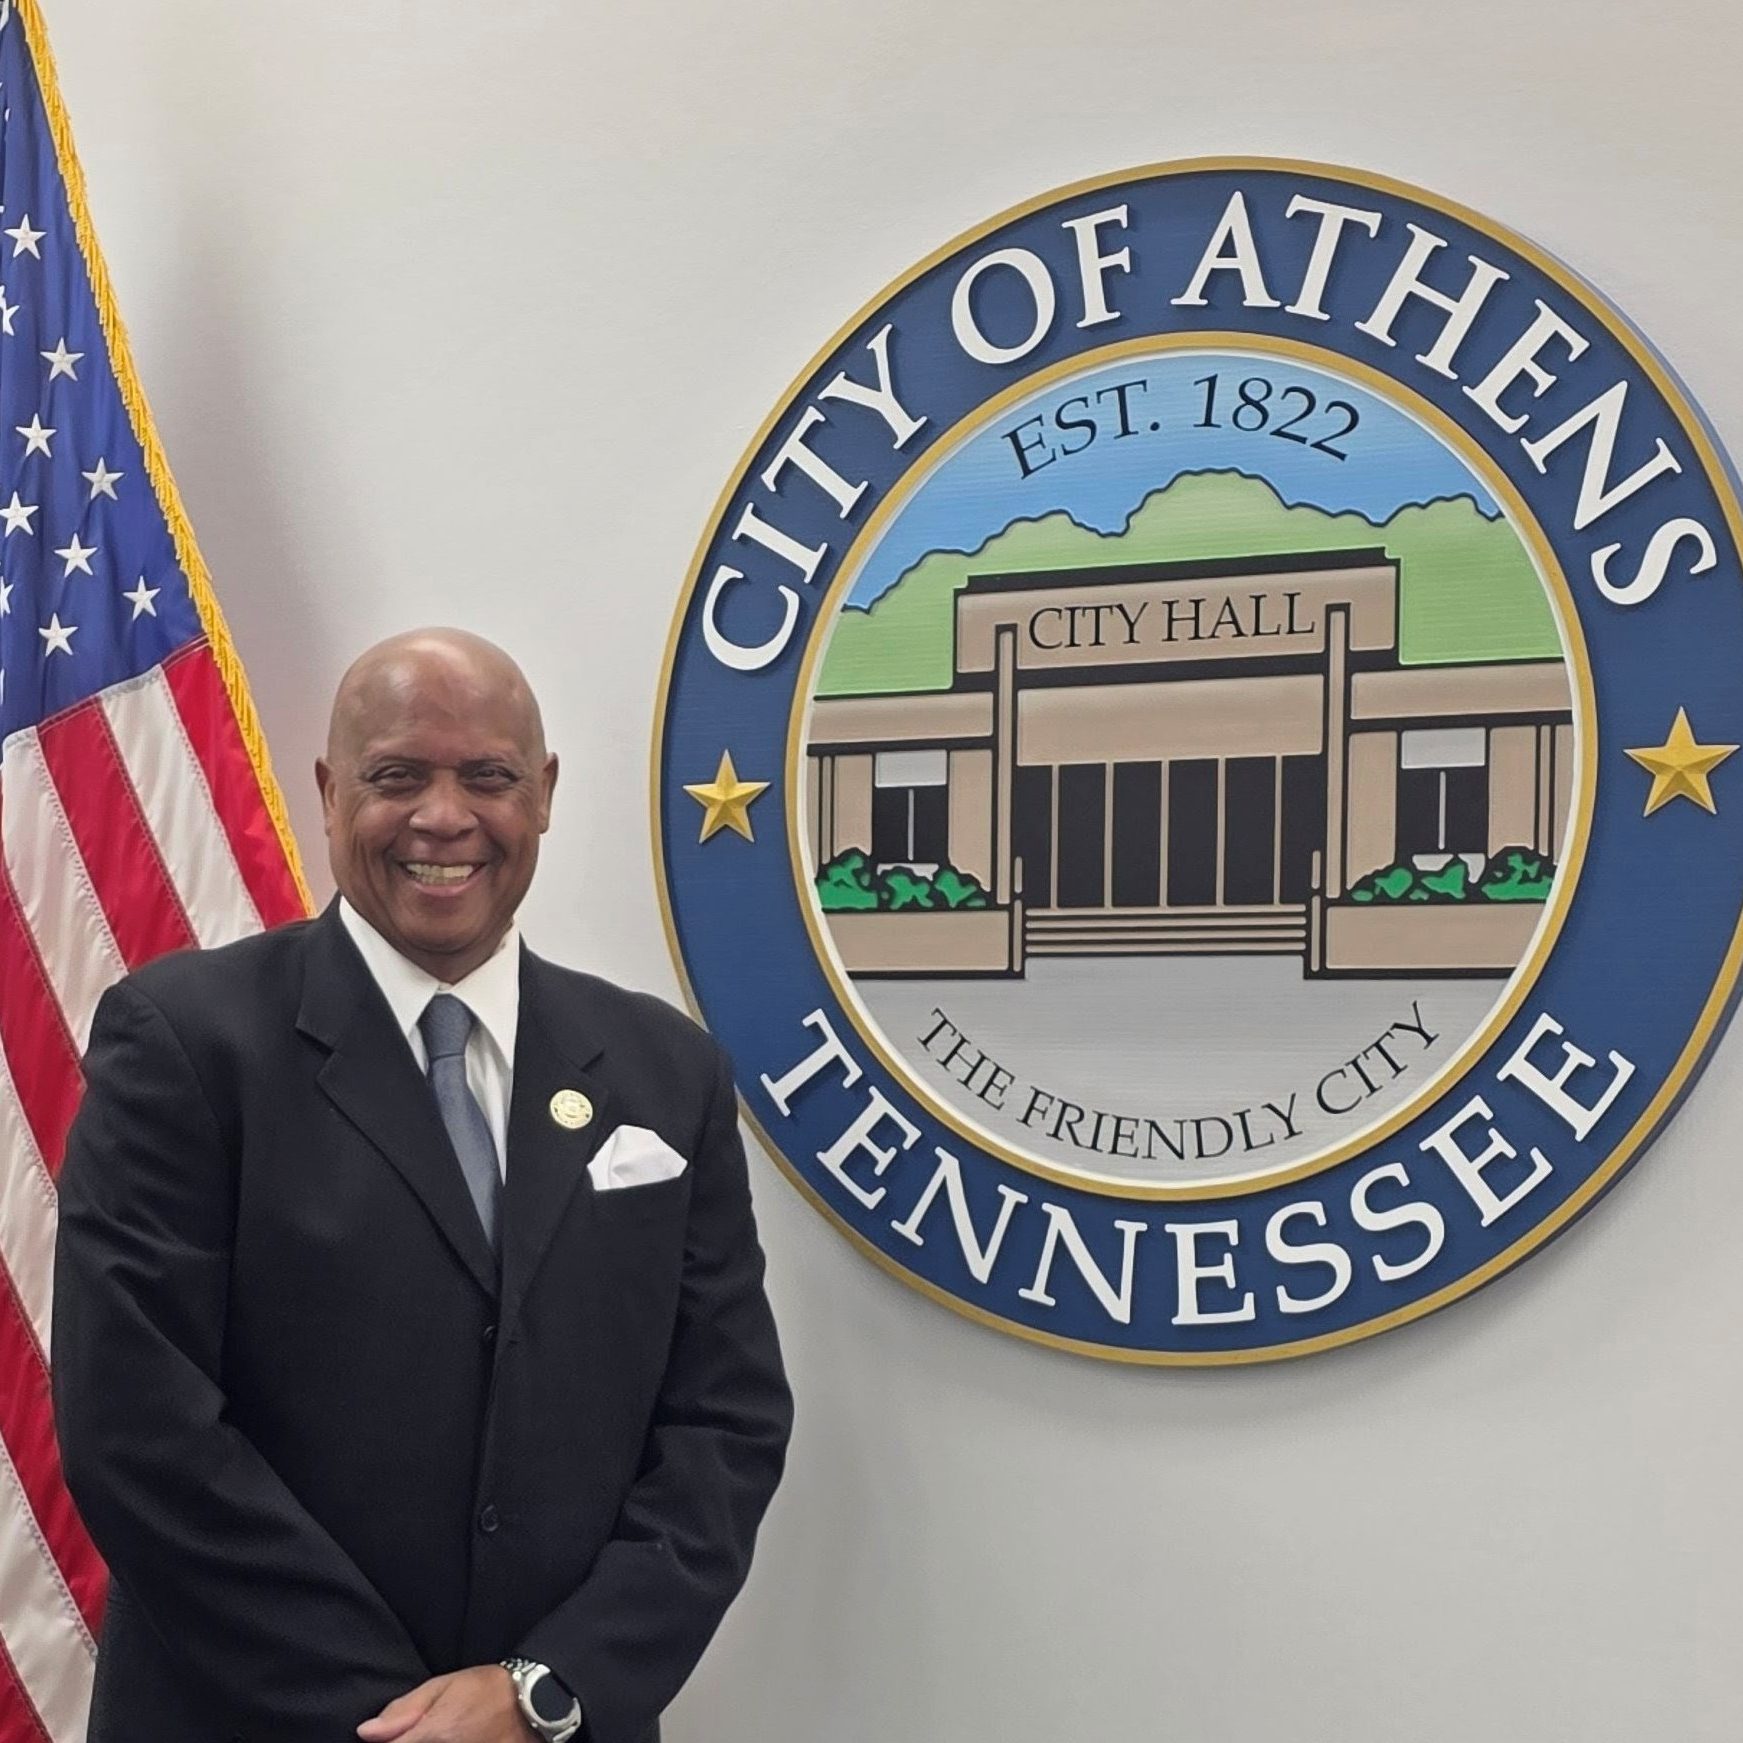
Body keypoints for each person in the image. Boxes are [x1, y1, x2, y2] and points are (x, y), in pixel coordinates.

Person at [52, 628, 792, 1743]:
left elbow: (725, 1422)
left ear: (543, 794)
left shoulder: (666, 1072)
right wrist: (406, 1727)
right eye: (397, 776)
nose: (444, 818)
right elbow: (138, 1434)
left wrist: (546, 1689)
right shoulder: (184, 1045)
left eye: (487, 776)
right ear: (329, 791)